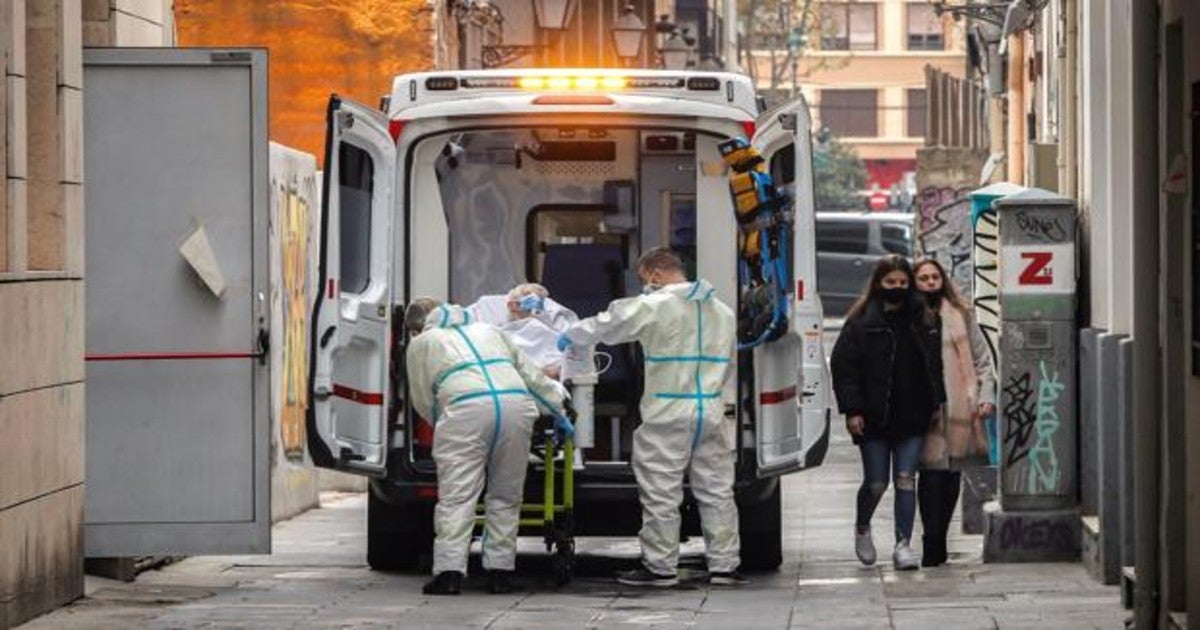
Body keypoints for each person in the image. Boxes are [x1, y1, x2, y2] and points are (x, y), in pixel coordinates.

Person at [557, 247, 745, 587]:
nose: (645, 285)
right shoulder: (723, 311)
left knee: (661, 491)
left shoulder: (654, 304)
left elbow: (609, 325)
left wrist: (571, 335)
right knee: (717, 490)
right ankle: (724, 566)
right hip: (711, 411)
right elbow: (730, 365)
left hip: (668, 412)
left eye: (645, 279)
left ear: (656, 273)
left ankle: (660, 567)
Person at [404, 297, 571, 596]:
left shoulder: (422, 343)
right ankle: (500, 573)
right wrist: (559, 410)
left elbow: (422, 397)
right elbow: (531, 375)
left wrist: (442, 420)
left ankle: (450, 573)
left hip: (465, 408)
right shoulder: (490, 330)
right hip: (516, 406)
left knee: (458, 496)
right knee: (506, 494)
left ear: (417, 329)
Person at [830, 254, 945, 571]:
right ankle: (863, 525)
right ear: (878, 284)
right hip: (873, 416)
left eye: (902, 283)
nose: (896, 287)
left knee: (906, 479)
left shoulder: (922, 319)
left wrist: (936, 402)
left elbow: (934, 365)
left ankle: (903, 545)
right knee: (877, 482)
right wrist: (852, 410)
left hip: (913, 413)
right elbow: (844, 368)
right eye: (889, 282)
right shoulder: (861, 323)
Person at [912, 258, 996, 567]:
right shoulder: (910, 316)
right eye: (924, 277)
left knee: (951, 477)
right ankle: (931, 543)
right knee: (930, 476)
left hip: (959, 405)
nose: (931, 282)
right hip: (925, 408)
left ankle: (939, 538)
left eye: (935, 276)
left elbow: (982, 359)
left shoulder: (961, 314)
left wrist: (985, 397)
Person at [467, 283, 578, 379]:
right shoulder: (494, 327)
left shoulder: (549, 323)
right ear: (511, 305)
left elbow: (568, 356)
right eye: (529, 305)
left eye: (539, 305)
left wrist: (554, 370)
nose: (534, 310)